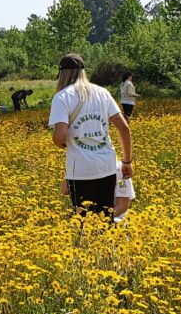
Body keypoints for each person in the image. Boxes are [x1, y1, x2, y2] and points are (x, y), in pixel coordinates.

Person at [49, 54, 135, 222]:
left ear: (62, 74)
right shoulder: (102, 93)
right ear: (83, 71)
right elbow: (124, 128)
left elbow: (60, 135)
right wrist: (126, 162)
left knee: (85, 223)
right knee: (105, 219)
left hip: (80, 170)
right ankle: (109, 248)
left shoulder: (62, 97)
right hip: (107, 166)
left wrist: (60, 143)